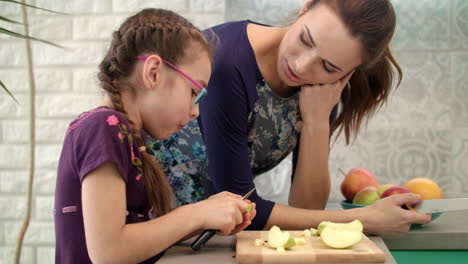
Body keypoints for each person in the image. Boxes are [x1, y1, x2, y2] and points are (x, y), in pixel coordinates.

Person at [147, 0, 431, 238]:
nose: (302, 66)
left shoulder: (320, 90)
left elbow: (306, 208)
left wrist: (317, 121)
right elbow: (242, 205)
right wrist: (365, 219)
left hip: (202, 239)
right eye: (306, 40)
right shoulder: (226, 61)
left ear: (348, 73)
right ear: (305, 7)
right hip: (146, 227)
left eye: (329, 66)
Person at [53, 8, 256, 264]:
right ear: (154, 73)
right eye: (195, 93)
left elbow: (139, 236)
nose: (196, 112)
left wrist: (207, 217)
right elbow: (109, 251)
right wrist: (197, 213)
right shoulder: (104, 126)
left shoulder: (126, 135)